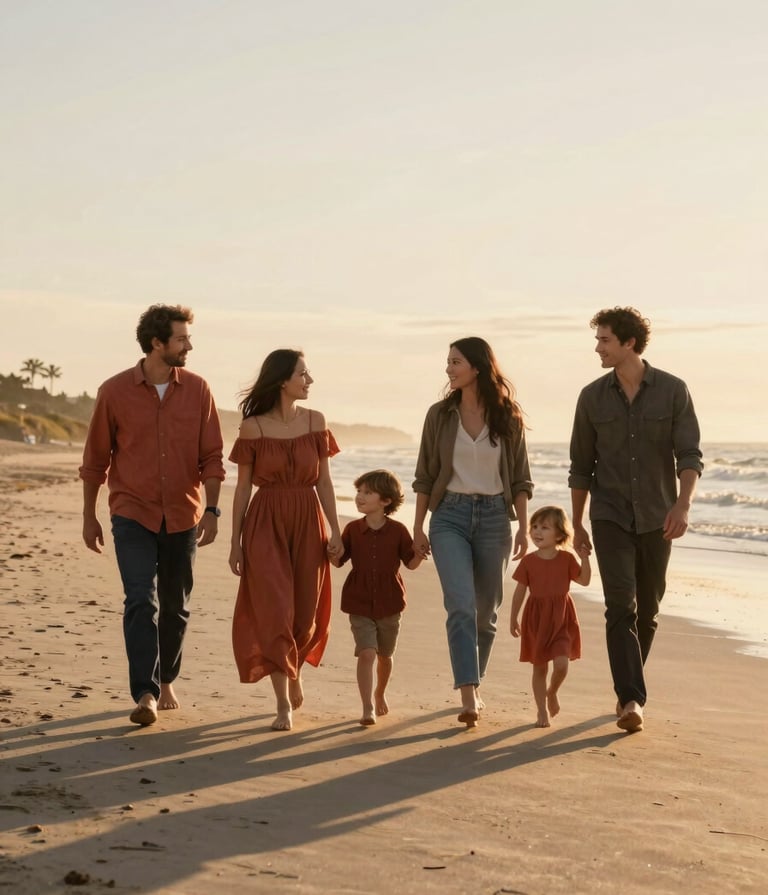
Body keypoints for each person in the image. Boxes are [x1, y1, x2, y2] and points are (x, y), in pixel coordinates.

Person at [79, 304, 225, 726]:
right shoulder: (114, 391)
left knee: (177, 606)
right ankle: (144, 691)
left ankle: (166, 679)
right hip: (132, 512)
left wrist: (213, 509)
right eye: (181, 339)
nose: (189, 345)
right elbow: (95, 461)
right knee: (141, 599)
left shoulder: (199, 390)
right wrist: (89, 517)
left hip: (183, 513)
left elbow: (212, 457)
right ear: (157, 343)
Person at [569, 307, 703, 733]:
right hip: (608, 514)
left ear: (629, 343)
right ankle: (631, 699)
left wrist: (682, 505)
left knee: (648, 611)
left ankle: (629, 687)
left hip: (657, 515)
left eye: (605, 340)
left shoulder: (673, 390)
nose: (597, 348)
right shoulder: (591, 397)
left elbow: (690, 455)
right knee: (619, 606)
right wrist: (578, 524)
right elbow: (580, 467)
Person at [413, 337, 533, 728]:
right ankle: (468, 692)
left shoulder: (508, 416)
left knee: (486, 614)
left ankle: (474, 682)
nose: (448, 369)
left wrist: (524, 527)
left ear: (477, 367)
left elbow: (520, 478)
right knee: (461, 605)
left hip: (496, 517)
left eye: (455, 362)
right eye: (447, 362)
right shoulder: (439, 415)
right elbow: (425, 475)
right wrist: (417, 526)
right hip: (449, 515)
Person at [228, 349, 342, 731]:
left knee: (306, 612)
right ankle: (282, 704)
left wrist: (337, 530)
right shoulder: (253, 427)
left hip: (308, 520)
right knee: (275, 607)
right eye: (302, 374)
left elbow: (324, 481)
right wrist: (235, 541)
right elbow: (242, 489)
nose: (308, 381)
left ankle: (295, 669)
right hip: (264, 522)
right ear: (281, 380)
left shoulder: (316, 421)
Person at [329, 469, 424, 726]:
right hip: (358, 599)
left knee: (384, 655)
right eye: (358, 491)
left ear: (385, 501)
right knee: (367, 653)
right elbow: (339, 561)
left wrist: (421, 552)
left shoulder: (398, 531)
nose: (359, 497)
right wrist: (332, 551)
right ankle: (367, 706)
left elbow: (411, 564)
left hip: (390, 602)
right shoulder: (352, 529)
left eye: (367, 492)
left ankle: (380, 691)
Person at [509, 505, 591, 728]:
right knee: (539, 667)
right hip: (536, 619)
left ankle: (552, 691)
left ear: (560, 534)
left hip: (562, 618)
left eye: (545, 527)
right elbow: (519, 592)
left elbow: (584, 581)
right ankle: (541, 711)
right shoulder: (528, 561)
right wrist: (512, 617)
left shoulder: (566, 559)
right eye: (534, 526)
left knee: (562, 665)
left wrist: (585, 559)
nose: (537, 531)